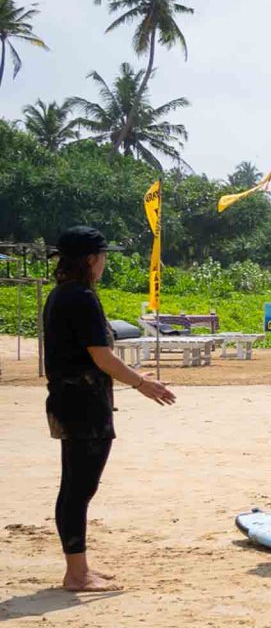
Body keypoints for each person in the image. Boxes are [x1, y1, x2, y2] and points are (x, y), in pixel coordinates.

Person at [41, 226, 176, 591]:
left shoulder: (61, 295)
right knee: (78, 488)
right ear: (90, 259)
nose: (104, 264)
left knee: (76, 485)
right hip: (83, 404)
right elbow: (101, 357)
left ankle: (78, 567)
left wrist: (132, 375)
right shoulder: (82, 297)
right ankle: (77, 573)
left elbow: (88, 358)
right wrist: (142, 384)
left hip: (70, 399)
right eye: (102, 257)